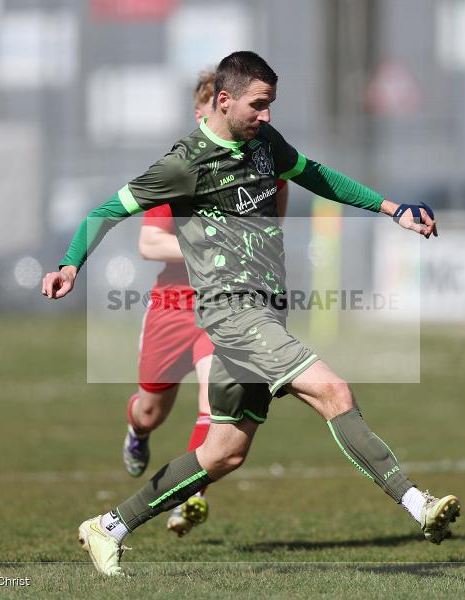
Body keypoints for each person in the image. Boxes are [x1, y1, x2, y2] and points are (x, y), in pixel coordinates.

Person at [42, 51, 458, 577]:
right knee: (335, 392)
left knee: (223, 453)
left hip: (266, 311)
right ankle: (419, 505)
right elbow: (106, 211)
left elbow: (316, 175)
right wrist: (69, 265)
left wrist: (391, 208)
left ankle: (109, 526)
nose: (266, 115)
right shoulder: (185, 163)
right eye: (258, 105)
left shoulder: (265, 145)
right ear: (224, 100)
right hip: (232, 316)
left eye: (271, 105)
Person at [124, 68, 289, 537]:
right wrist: (213, 247)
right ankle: (136, 433)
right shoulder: (181, 167)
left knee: (212, 402)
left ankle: (189, 495)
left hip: (225, 305)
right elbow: (150, 244)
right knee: (151, 410)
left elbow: (272, 229)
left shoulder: (262, 168)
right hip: (173, 304)